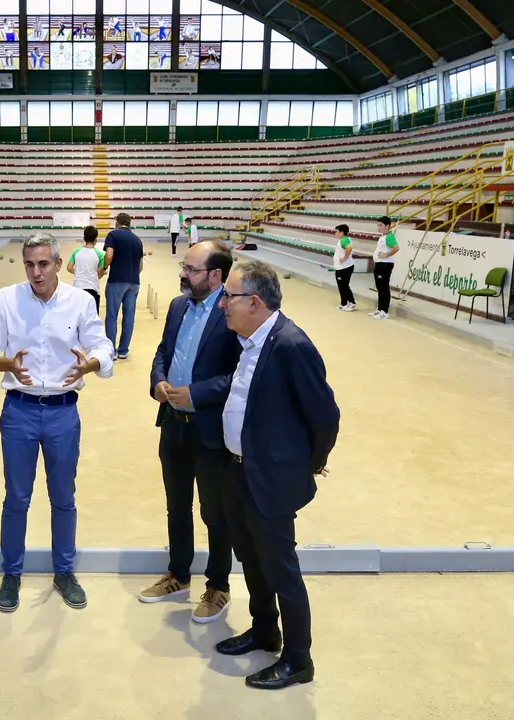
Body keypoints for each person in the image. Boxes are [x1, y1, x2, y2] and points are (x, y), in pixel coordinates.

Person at [0, 233, 115, 613]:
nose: (36, 272)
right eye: (29, 265)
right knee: (16, 498)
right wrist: (5, 364)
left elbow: (104, 346)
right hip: (18, 410)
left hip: (63, 411)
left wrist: (92, 363)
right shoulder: (5, 299)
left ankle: (64, 571)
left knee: (63, 498)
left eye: (43, 264)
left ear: (57, 264)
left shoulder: (80, 301)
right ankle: (12, 573)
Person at [216, 260, 340, 691]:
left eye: (228, 296)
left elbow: (324, 415)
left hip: (270, 479)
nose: (222, 305)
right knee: (251, 559)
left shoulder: (291, 345)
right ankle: (265, 629)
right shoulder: (249, 342)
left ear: (253, 301)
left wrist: (306, 462)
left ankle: (298, 659)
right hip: (239, 472)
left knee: (281, 569)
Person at [141, 241, 240, 624]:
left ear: (216, 276)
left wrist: (196, 394)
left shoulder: (232, 312)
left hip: (210, 430)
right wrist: (158, 382)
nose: (183, 273)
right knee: (176, 506)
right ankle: (179, 575)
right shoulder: (178, 306)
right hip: (173, 425)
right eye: (184, 266)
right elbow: (162, 352)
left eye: (191, 269)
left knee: (215, 513)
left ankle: (218, 586)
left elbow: (240, 374)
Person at [103, 212, 144, 360]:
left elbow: (109, 255)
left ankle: (110, 350)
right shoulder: (137, 240)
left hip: (116, 280)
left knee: (112, 316)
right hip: (134, 281)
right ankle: (123, 350)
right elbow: (140, 266)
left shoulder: (113, 235)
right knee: (128, 317)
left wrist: (104, 267)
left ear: (117, 222)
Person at [67, 225, 106, 313]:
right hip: (93, 289)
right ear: (96, 239)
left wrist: (78, 272)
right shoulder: (100, 254)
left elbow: (69, 268)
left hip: (77, 288)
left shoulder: (76, 252)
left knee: (78, 317)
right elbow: (99, 275)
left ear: (84, 238)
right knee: (92, 318)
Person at [372, 216, 398, 319]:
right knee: (379, 287)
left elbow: (396, 248)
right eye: (378, 225)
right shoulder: (383, 237)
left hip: (385, 265)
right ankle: (379, 309)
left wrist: (386, 255)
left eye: (381, 225)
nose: (378, 227)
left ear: (387, 226)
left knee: (384, 288)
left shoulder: (389, 237)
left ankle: (385, 311)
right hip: (379, 264)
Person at [333, 224, 356, 312]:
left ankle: (352, 302)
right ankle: (344, 303)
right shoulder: (343, 240)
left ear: (342, 232)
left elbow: (349, 248)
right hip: (340, 267)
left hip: (345, 267)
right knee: (341, 286)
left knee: (344, 286)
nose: (336, 233)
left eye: (337, 232)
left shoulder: (345, 240)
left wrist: (344, 258)